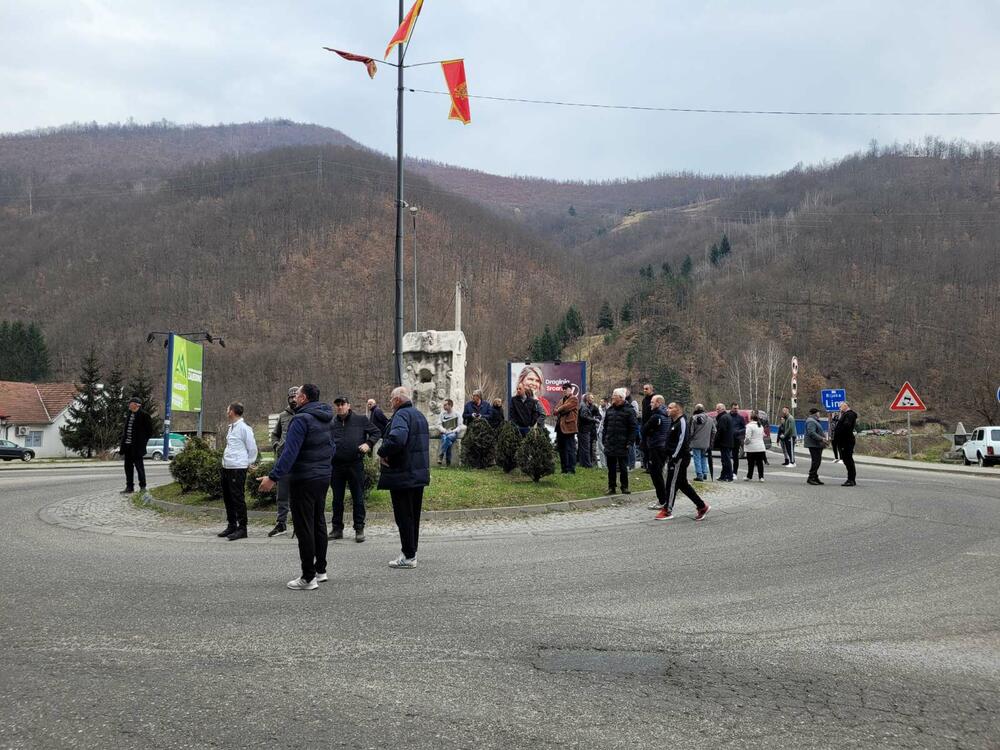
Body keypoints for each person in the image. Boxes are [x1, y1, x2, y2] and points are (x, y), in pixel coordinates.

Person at [258, 384, 334, 590]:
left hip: (304, 478)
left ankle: (308, 577)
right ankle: (321, 570)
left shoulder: (300, 419)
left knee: (304, 527)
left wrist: (272, 477)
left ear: (304, 398)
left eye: (298, 394)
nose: (295, 397)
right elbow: (332, 446)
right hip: (323, 476)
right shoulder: (327, 417)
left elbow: (289, 453)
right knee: (318, 522)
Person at [377, 386, 430, 569]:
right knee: (413, 516)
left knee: (404, 516)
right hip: (417, 473)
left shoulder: (401, 415)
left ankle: (408, 556)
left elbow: (398, 439)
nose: (390, 402)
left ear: (398, 400)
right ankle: (411, 552)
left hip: (402, 474)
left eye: (391, 399)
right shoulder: (419, 415)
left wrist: (382, 452)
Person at [330, 396, 381, 543]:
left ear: (348, 405)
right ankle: (337, 529)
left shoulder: (361, 420)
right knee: (337, 499)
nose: (340, 407)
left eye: (342, 404)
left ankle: (359, 529)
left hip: (355, 464)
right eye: (337, 404)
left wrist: (368, 444)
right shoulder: (332, 423)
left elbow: (377, 432)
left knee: (358, 497)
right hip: (336, 466)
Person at [655, 402, 710, 521]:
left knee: (671, 483)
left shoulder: (682, 422)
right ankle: (702, 506)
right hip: (674, 457)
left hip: (679, 459)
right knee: (683, 484)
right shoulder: (673, 422)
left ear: (678, 410)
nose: (667, 410)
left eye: (670, 408)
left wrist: (674, 457)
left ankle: (667, 510)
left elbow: (682, 441)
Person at [219, 402, 259, 541]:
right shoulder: (231, 428)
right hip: (227, 467)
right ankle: (231, 525)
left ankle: (242, 528)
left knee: (237, 498)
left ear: (232, 411)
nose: (226, 411)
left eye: (227, 408)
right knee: (228, 498)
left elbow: (252, 447)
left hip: (238, 468)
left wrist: (248, 463)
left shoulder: (244, 428)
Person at [267, 387, 298, 537]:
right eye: (290, 397)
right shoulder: (283, 416)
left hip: (300, 462)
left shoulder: (305, 414)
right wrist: (276, 446)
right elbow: (274, 435)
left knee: (299, 495)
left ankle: (299, 524)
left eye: (295, 397)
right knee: (282, 494)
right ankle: (281, 524)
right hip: (284, 461)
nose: (293, 400)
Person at [602, 388, 637, 494]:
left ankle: (624, 487)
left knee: (623, 467)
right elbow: (605, 426)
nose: (612, 397)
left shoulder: (629, 410)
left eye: (614, 396)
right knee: (611, 468)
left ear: (621, 398)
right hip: (610, 443)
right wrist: (605, 439)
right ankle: (611, 487)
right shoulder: (610, 410)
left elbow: (633, 428)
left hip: (623, 444)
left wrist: (630, 442)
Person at [642, 395, 672, 510]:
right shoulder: (668, 415)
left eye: (653, 402)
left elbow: (644, 430)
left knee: (656, 475)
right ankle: (664, 498)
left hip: (655, 447)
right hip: (664, 447)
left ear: (659, 403)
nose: (650, 404)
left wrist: (650, 431)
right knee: (660, 473)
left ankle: (662, 500)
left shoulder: (656, 416)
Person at [120, 396, 152, 496]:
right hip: (128, 446)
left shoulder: (144, 415)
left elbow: (149, 432)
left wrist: (142, 443)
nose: (129, 405)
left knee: (139, 467)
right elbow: (126, 431)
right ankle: (129, 487)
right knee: (128, 467)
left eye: (130, 403)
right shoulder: (129, 415)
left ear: (136, 405)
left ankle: (143, 487)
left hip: (137, 447)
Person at [554, 383, 579, 474]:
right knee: (561, 449)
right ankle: (564, 469)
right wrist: (559, 409)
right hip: (560, 428)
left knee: (570, 449)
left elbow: (566, 408)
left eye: (566, 388)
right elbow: (555, 410)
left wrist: (559, 409)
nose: (564, 390)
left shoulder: (574, 399)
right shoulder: (562, 399)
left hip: (569, 428)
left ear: (570, 389)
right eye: (563, 389)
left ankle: (571, 469)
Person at [834, 402, 858, 486]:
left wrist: (840, 432)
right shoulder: (846, 414)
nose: (839, 408)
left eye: (840, 406)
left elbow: (846, 426)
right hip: (844, 440)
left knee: (848, 460)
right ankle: (850, 479)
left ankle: (851, 479)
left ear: (845, 406)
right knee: (846, 459)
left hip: (846, 441)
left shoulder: (849, 414)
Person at [689, 404, 715, 481]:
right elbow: (714, 430)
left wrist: (689, 440)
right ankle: (705, 473)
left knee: (697, 458)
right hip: (706, 443)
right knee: (703, 457)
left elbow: (691, 432)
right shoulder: (710, 419)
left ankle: (699, 474)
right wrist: (710, 440)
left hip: (695, 442)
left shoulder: (693, 418)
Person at [804, 408, 828, 485]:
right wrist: (822, 438)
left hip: (816, 444)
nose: (819, 414)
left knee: (817, 461)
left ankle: (815, 477)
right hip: (814, 444)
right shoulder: (811, 421)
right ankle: (811, 477)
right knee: (816, 462)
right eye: (818, 413)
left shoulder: (813, 420)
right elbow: (811, 433)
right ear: (816, 413)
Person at [435, 399, 462, 466]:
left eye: (445, 405)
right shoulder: (442, 414)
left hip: (453, 433)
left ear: (450, 405)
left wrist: (452, 431)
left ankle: (441, 455)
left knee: (447, 438)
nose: (443, 407)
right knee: (448, 442)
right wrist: (444, 430)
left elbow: (460, 426)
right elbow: (438, 425)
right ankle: (448, 463)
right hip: (444, 433)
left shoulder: (457, 414)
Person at [743, 410, 767, 481]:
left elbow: (748, 438)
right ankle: (761, 477)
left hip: (751, 448)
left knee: (751, 463)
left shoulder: (749, 426)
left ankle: (749, 476)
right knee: (760, 463)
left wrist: (745, 443)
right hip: (760, 447)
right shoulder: (761, 426)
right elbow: (762, 435)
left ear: (751, 419)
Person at [577, 393, 599, 469]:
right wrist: (594, 420)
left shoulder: (584, 405)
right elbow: (584, 416)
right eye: (592, 398)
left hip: (583, 429)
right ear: (587, 399)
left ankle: (583, 463)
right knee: (586, 447)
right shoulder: (584, 406)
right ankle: (587, 464)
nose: (593, 400)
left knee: (583, 447)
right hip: (584, 429)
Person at [713, 403, 734, 481]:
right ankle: (723, 476)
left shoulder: (723, 418)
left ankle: (729, 476)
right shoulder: (728, 416)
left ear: (722, 409)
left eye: (718, 409)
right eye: (716, 409)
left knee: (726, 460)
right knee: (725, 460)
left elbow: (721, 431)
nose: (717, 410)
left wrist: (715, 441)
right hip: (728, 441)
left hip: (725, 442)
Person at [729, 403, 747, 477]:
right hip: (728, 439)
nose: (736, 410)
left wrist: (738, 432)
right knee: (726, 456)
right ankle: (727, 472)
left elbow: (744, 428)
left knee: (735, 456)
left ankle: (734, 473)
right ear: (731, 408)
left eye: (737, 408)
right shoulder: (727, 417)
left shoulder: (740, 418)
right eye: (734, 408)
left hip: (736, 439)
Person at [640, 384, 654, 469]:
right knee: (645, 447)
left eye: (646, 389)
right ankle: (646, 465)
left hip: (651, 427)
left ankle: (651, 466)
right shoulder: (644, 400)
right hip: (645, 426)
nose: (644, 390)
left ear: (651, 389)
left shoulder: (654, 398)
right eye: (644, 389)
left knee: (650, 448)